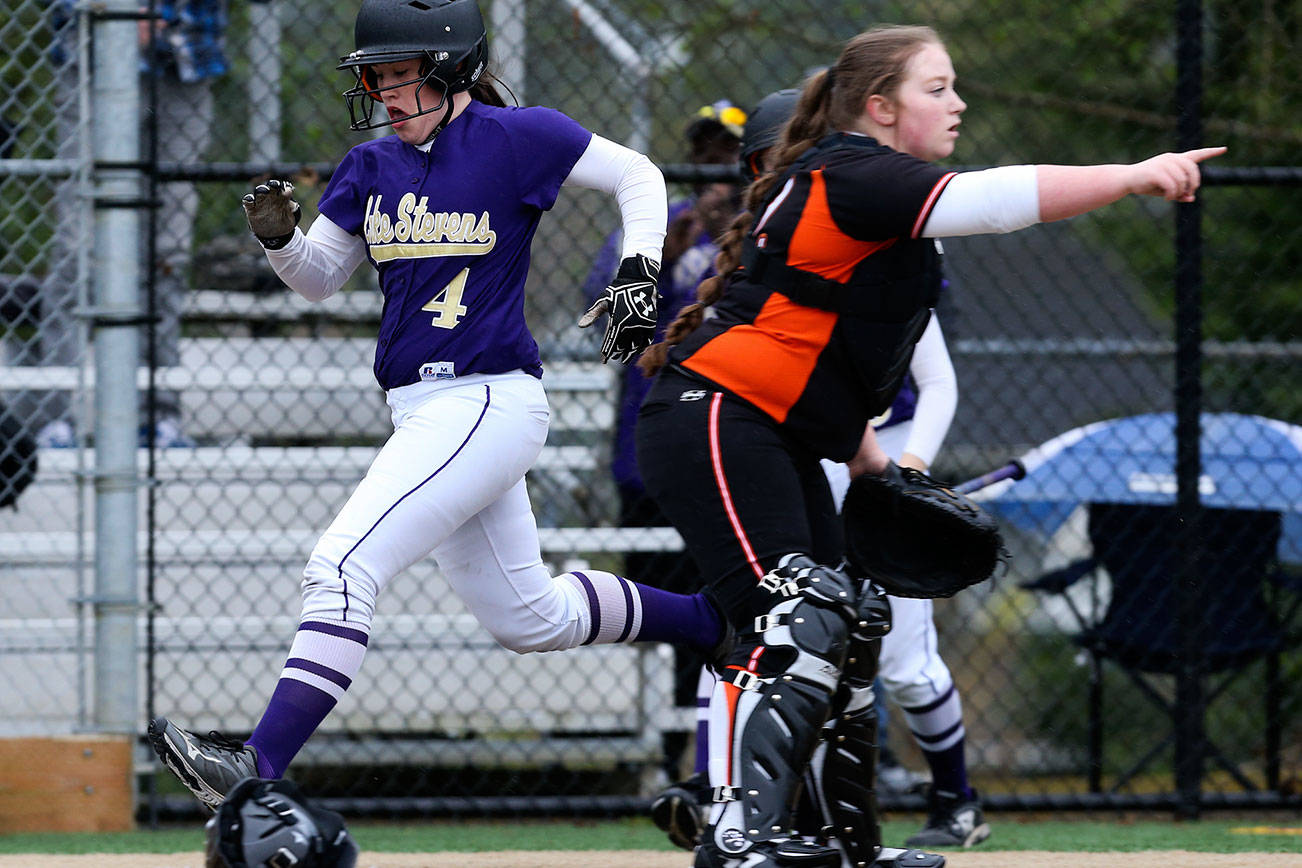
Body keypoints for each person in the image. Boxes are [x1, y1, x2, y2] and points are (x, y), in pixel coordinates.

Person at [634, 23, 1222, 868]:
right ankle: (741, 837)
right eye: (937, 88)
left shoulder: (868, 192)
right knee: (794, 619)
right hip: (716, 415)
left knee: (851, 620)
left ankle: (846, 842)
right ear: (880, 108)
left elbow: (819, 354)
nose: (959, 103)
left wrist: (874, 464)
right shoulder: (857, 170)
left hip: (774, 427)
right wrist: (1131, 177)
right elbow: (996, 200)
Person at [146, 0, 727, 811]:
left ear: (452, 67)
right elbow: (320, 276)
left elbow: (640, 175)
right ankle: (711, 622)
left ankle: (258, 762)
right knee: (530, 616)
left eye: (398, 74)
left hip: (487, 396)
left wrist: (637, 269)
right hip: (425, 410)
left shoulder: (516, 136)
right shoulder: (371, 166)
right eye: (374, 77)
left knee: (343, 566)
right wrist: (282, 241)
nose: (383, 92)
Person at [747, 86, 989, 850]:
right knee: (773, 633)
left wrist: (902, 475)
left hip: (881, 458)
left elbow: (941, 384)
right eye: (769, 162)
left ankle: (957, 801)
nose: (782, 172)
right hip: (795, 459)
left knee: (906, 662)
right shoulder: (756, 252)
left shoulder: (881, 243)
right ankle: (742, 797)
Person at [581, 100, 744, 781]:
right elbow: (609, 328)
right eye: (702, 150)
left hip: (727, 445)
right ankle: (659, 751)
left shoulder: (761, 227)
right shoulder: (651, 226)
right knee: (660, 607)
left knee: (729, 601)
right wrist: (664, 258)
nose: (713, 166)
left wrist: (732, 239)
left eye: (727, 152)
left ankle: (710, 756)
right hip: (646, 452)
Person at [27, 0, 227, 448]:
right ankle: (57, 417)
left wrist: (166, 15)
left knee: (167, 250)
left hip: (184, 63)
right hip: (89, 57)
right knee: (77, 245)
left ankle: (158, 416)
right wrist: (112, 11)